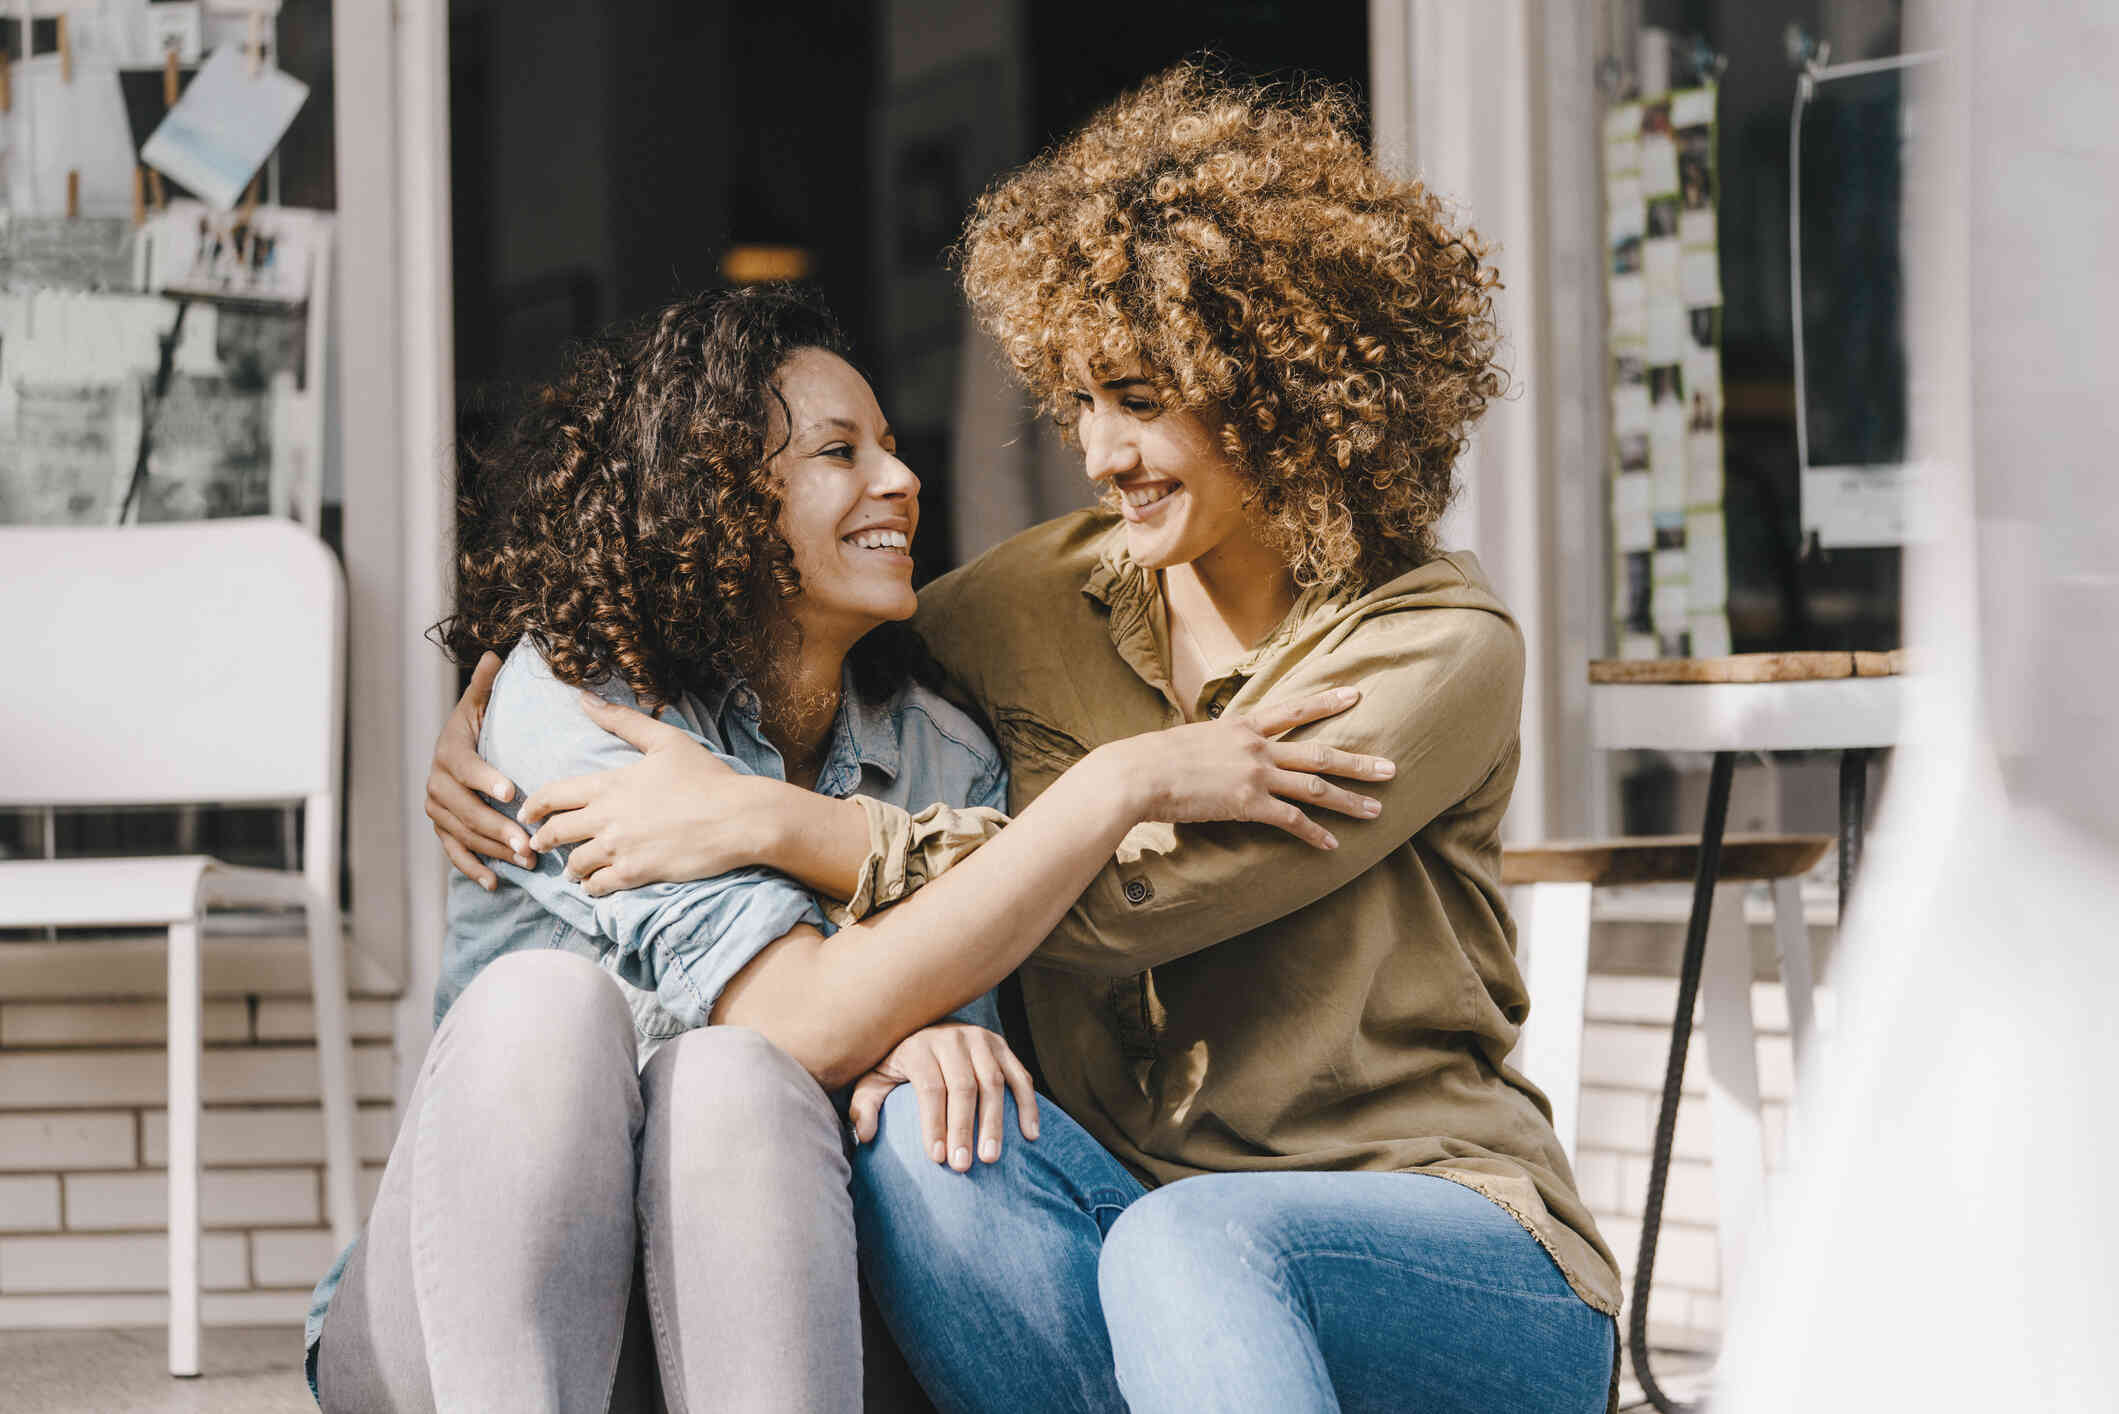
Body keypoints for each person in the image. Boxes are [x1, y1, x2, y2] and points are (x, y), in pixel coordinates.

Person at [430, 65, 1622, 1414]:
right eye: (1075, 399)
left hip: (1442, 1251)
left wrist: (774, 821)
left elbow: (1129, 895)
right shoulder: (1030, 598)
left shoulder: (1434, 645)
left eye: (1136, 392)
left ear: (1280, 384)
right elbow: (780, 617)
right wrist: (483, 729)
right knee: (921, 1139)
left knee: (1198, 1238)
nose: (1099, 449)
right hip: (1116, 1228)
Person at [317, 284, 1369, 1412]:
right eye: (838, 450)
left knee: (733, 1072)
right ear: (709, 497)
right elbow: (812, 1013)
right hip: (457, 1334)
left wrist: (904, 1028)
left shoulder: (943, 754)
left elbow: (923, 1060)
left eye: (892, 447)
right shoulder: (575, 700)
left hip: (736, 1323)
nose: (903, 481)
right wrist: (1114, 788)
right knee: (548, 1008)